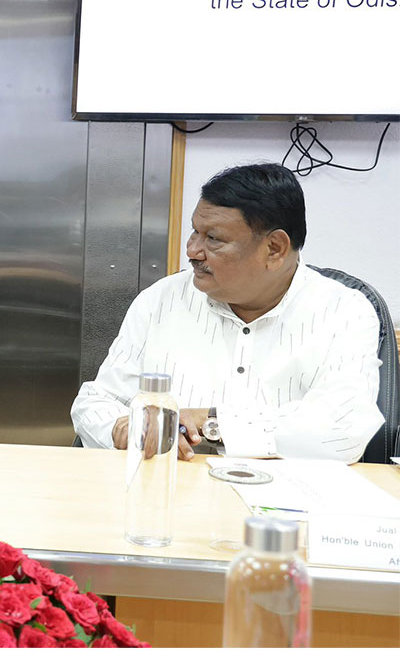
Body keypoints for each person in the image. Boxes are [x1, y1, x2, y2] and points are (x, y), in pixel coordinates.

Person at [71, 163, 383, 463]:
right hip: (170, 496)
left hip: (290, 507)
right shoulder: (161, 300)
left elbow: (343, 429)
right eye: (195, 232)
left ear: (274, 248)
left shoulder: (345, 312)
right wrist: (121, 428)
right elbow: (96, 401)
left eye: (213, 238)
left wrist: (212, 422)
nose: (192, 250)